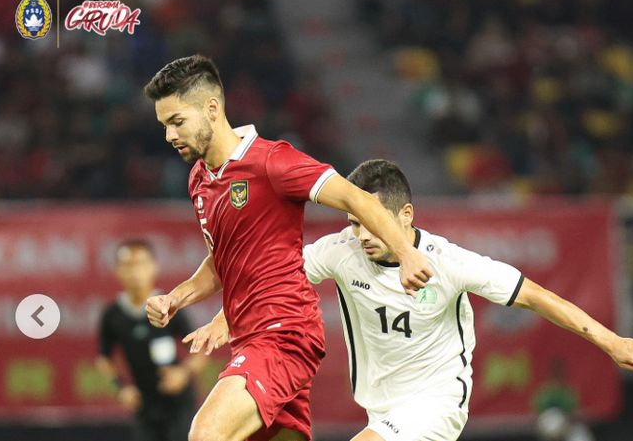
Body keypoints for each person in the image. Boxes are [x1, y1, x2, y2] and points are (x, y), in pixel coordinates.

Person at [185, 159, 633, 441]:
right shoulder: (341, 252)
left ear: (405, 215)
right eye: (354, 221)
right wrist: (224, 321)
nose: (361, 233)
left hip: (436, 402)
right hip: (379, 405)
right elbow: (273, 284)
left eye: (371, 221)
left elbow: (537, 297)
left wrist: (612, 340)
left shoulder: (448, 262)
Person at [142, 56, 431, 441]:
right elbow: (223, 257)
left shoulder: (272, 161)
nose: (169, 136)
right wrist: (175, 298)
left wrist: (407, 252)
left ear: (212, 109)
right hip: (251, 339)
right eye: (164, 125)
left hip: (282, 334)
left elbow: (357, 199)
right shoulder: (199, 179)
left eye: (177, 122)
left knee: (206, 434)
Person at [96, 239, 208, 441]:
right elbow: (104, 358)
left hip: (178, 403)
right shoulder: (113, 315)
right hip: (144, 404)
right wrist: (121, 388)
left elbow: (200, 350)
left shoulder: (168, 307)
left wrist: (182, 373)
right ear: (118, 270)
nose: (135, 271)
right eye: (128, 265)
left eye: (141, 263)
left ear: (153, 267)